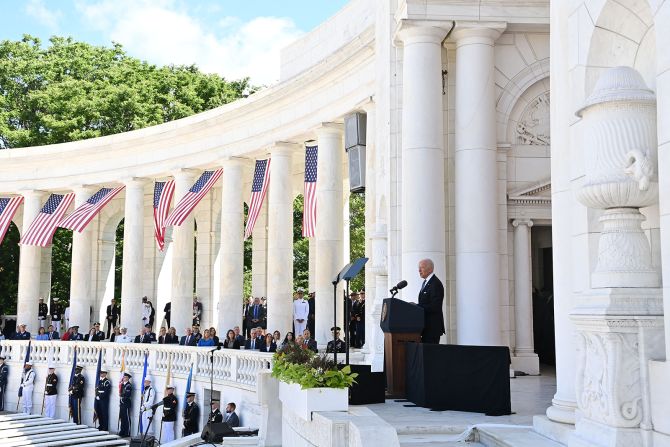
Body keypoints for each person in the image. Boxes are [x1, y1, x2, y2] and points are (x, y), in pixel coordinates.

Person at [416, 258, 445, 344]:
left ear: (430, 269)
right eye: (419, 268)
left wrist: (417, 306)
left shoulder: (435, 284)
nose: (419, 270)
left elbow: (435, 306)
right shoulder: (426, 282)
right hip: (425, 327)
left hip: (432, 328)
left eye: (422, 268)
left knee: (431, 355)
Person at [119, 373, 132, 437]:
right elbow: (121, 394)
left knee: (126, 418)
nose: (124, 378)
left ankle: (127, 432)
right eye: (123, 377)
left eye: (125, 377)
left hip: (126, 403)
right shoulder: (123, 384)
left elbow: (127, 395)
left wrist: (122, 398)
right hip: (122, 403)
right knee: (122, 417)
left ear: (128, 378)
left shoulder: (128, 385)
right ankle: (122, 431)